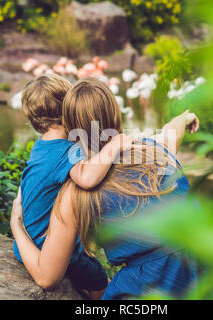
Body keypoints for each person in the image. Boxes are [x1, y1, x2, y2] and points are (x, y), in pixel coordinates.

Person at [11, 78, 199, 299]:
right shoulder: (155, 150)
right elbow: (172, 132)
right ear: (115, 113)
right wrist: (184, 117)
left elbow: (46, 277)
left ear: (70, 127)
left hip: (149, 284)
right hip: (206, 264)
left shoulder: (76, 192)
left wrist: (16, 224)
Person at [14, 75, 135, 299]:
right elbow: (87, 178)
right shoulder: (66, 149)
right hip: (48, 248)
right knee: (101, 281)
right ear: (70, 110)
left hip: (29, 241)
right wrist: (114, 146)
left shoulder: (41, 146)